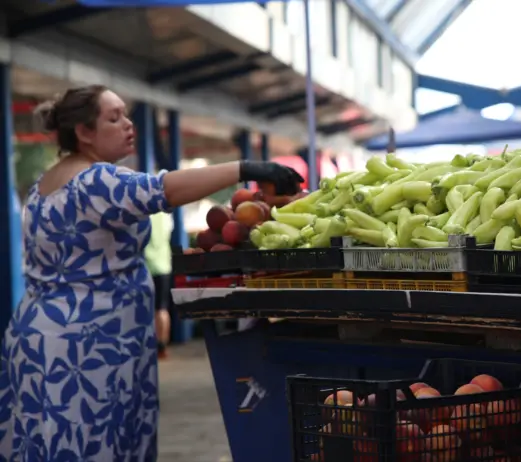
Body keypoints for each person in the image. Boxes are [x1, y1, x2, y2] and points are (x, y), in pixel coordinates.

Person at [0, 85, 302, 460]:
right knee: (96, 446)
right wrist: (247, 168)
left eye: (126, 115)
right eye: (114, 118)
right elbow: (162, 190)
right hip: (88, 348)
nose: (128, 125)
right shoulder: (95, 180)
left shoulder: (43, 186)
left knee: (47, 444)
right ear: (84, 133)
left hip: (39, 338)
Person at [145, 211, 173, 360]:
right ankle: (162, 347)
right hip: (164, 265)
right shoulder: (165, 215)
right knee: (162, 308)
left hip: (146, 266)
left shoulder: (142, 213)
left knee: (145, 309)